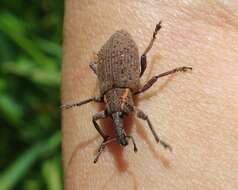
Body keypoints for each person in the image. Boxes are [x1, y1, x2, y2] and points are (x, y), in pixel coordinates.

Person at [62, 1, 238, 189]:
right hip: (112, 64)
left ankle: (159, 46)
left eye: (120, 114)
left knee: (145, 64)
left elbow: (153, 79)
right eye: (118, 115)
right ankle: (108, 138)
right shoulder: (107, 100)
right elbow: (101, 115)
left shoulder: (124, 92)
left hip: (119, 54)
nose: (117, 120)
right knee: (94, 117)